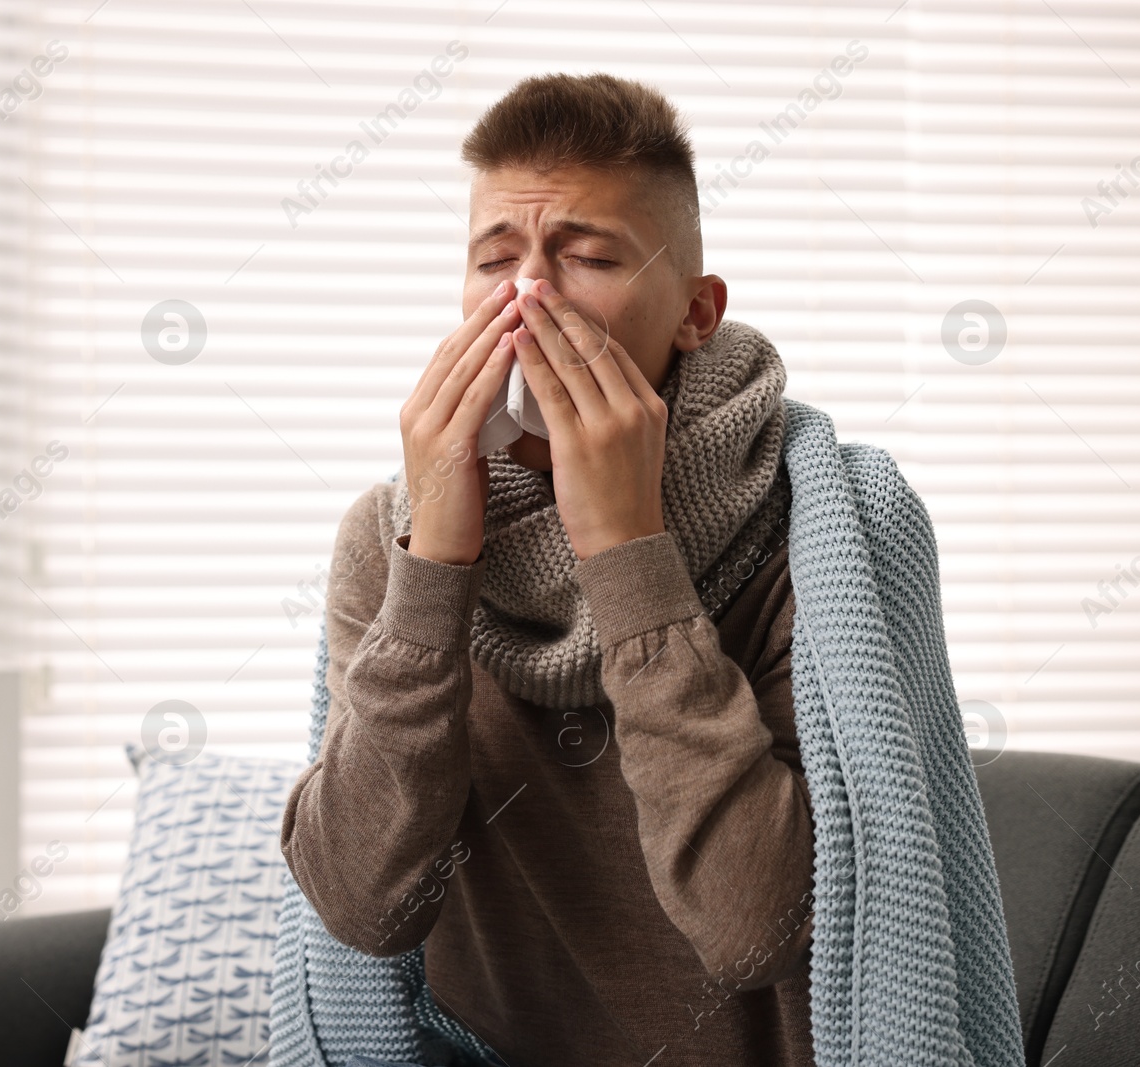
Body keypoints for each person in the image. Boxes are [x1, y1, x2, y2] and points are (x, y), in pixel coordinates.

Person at [279, 72, 815, 1065]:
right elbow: (364, 905)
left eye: (586, 255)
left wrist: (628, 552)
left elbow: (758, 929)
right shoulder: (388, 536)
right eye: (496, 260)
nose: (527, 293)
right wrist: (435, 561)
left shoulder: (813, 531)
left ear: (696, 311)